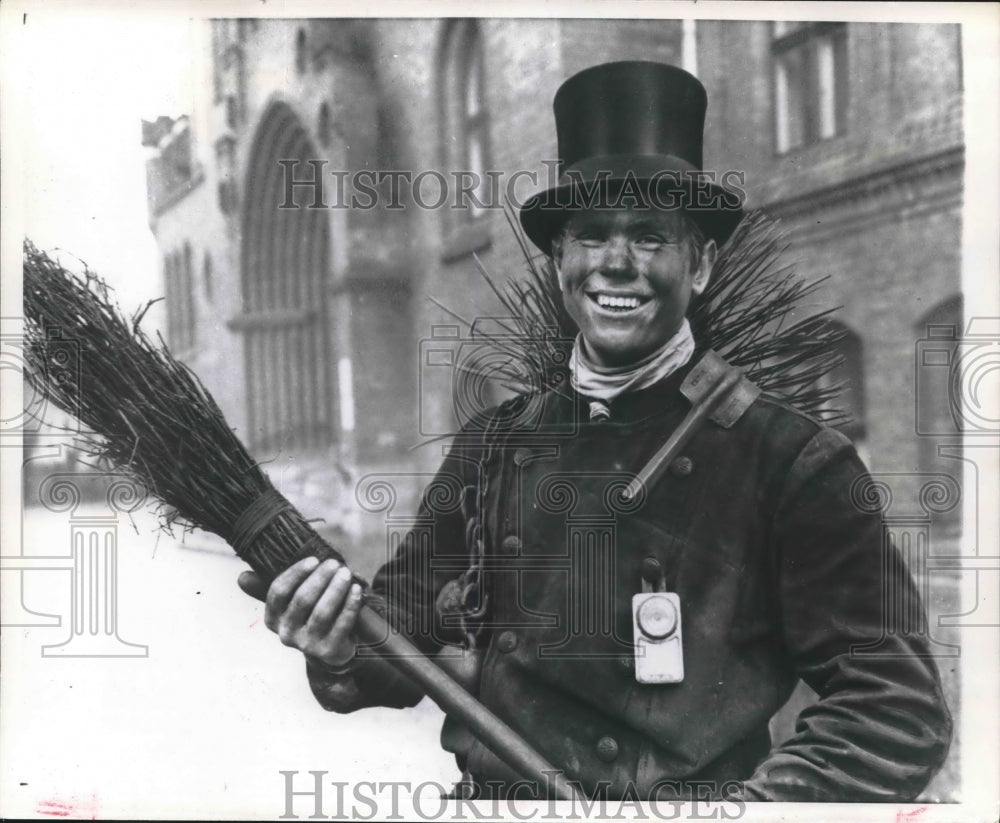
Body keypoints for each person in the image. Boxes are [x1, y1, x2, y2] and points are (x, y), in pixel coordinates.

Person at [239, 61, 951, 802]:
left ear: (700, 263)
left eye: (649, 235)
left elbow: (895, 708)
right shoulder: (494, 445)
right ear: (558, 262)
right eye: (591, 234)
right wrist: (337, 642)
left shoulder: (790, 459)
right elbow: (396, 638)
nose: (616, 264)